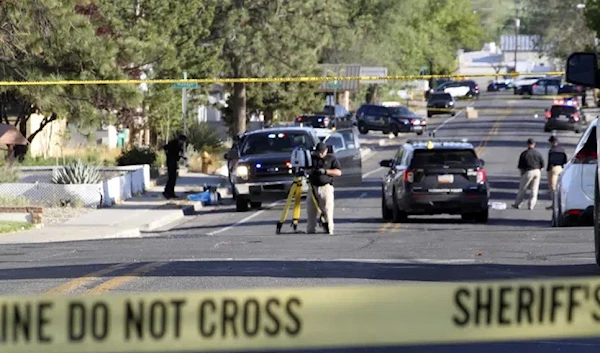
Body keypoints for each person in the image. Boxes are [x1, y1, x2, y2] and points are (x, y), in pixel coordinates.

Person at [307, 142, 342, 235]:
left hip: (326, 187)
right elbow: (307, 169)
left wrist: (326, 171)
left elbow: (338, 172)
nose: (320, 154)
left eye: (321, 152)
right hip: (313, 187)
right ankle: (310, 229)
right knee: (311, 210)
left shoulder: (331, 158)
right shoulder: (312, 158)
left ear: (326, 150)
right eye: (318, 152)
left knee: (327, 209)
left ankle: (329, 229)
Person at [512, 138, 545, 210]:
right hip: (537, 171)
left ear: (527, 144)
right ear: (534, 144)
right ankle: (531, 205)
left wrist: (522, 173)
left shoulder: (524, 154)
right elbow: (542, 164)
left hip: (528, 171)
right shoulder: (537, 153)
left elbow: (520, 166)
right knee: (534, 189)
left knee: (523, 188)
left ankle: (517, 203)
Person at [546, 135, 568, 210]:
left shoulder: (552, 150)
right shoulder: (562, 149)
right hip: (561, 168)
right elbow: (565, 160)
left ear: (551, 142)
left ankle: (554, 203)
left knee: (553, 187)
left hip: (553, 168)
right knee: (559, 186)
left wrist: (548, 170)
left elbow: (550, 161)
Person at [163, 134, 187, 199]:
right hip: (170, 162)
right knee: (171, 177)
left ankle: (171, 193)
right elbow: (165, 147)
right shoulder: (173, 143)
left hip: (174, 162)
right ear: (180, 139)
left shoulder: (179, 145)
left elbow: (177, 154)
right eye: (182, 141)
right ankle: (167, 192)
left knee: (173, 178)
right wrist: (168, 155)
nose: (183, 142)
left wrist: (181, 157)